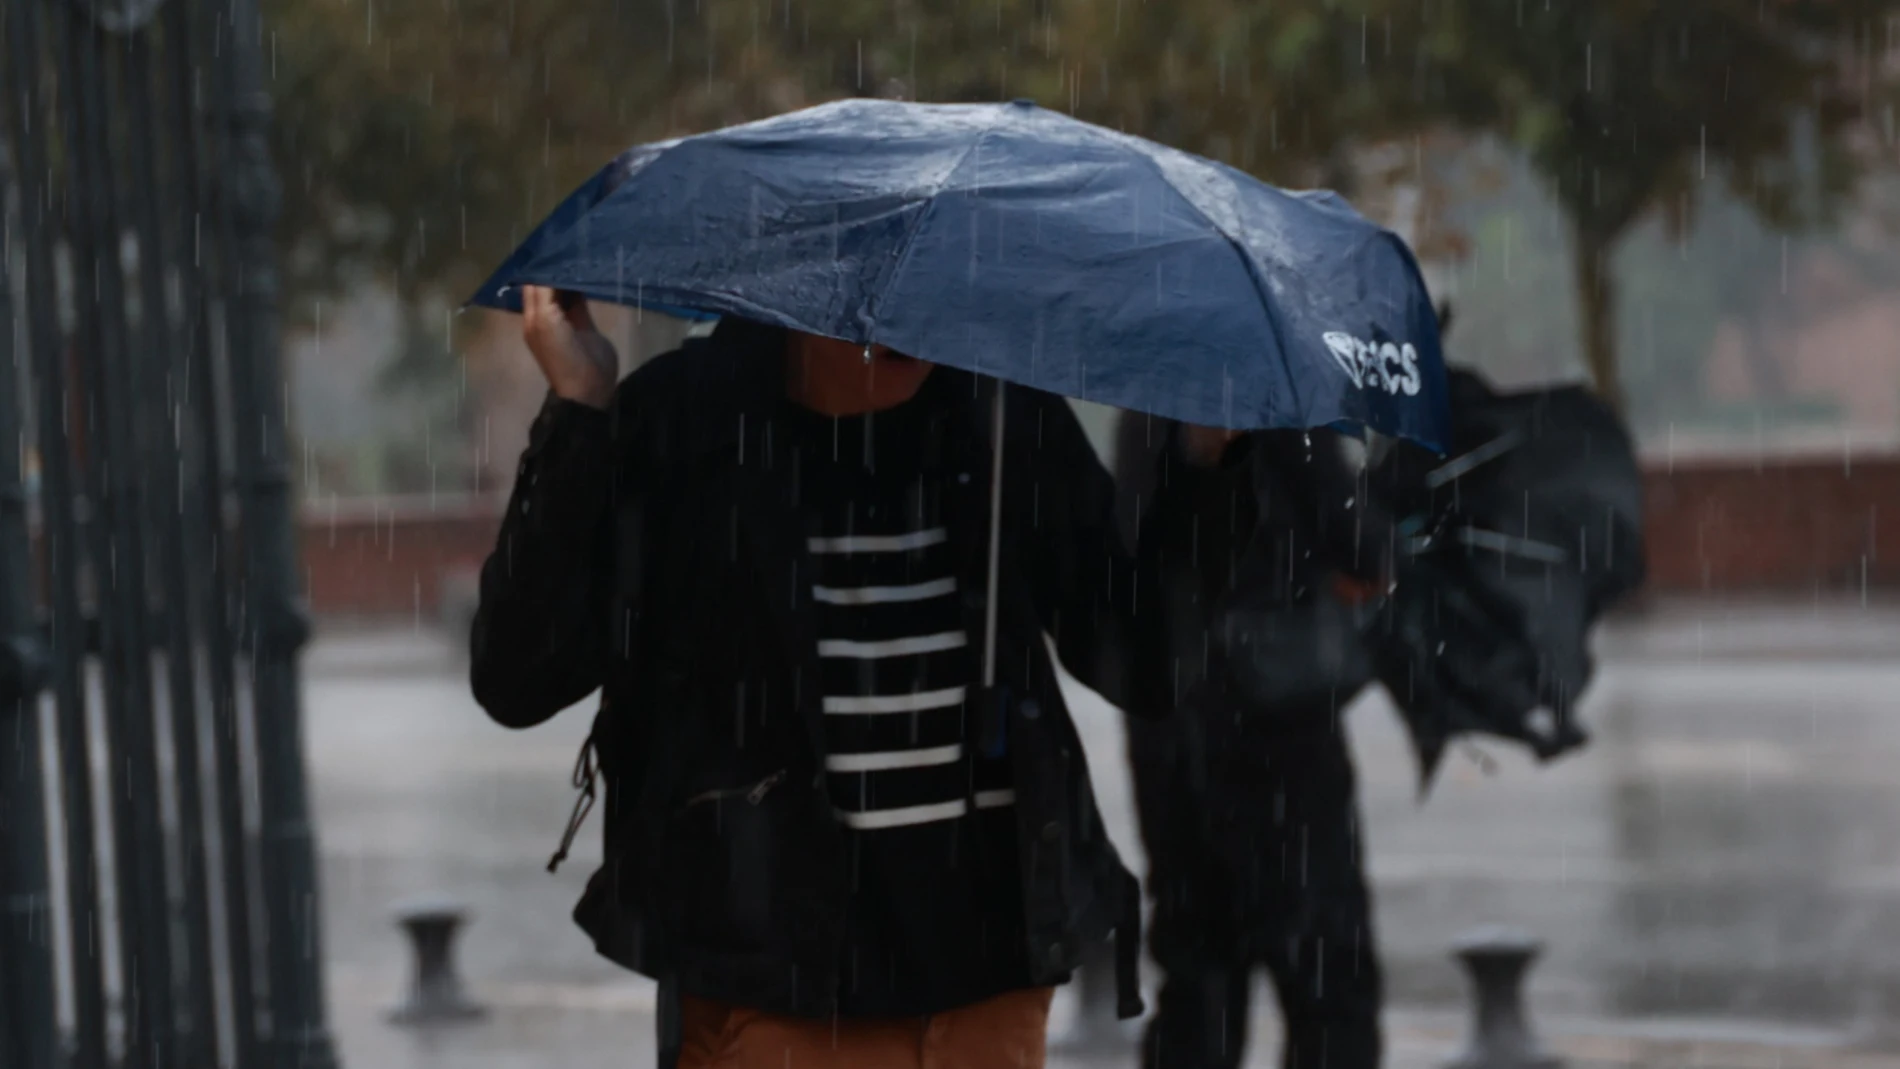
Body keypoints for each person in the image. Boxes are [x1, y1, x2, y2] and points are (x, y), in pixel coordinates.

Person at [470, 286, 1144, 1069]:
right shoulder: (686, 420)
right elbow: (518, 676)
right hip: (771, 989)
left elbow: (1145, 660)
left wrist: (1212, 460)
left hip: (989, 993)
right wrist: (579, 407)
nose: (904, 318)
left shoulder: (1000, 411)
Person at [1116, 416, 1389, 1069]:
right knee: (1324, 966)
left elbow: (1128, 543)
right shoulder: (1275, 396)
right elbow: (1354, 540)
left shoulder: (1143, 401)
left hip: (1169, 717)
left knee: (1197, 969)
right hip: (1275, 720)